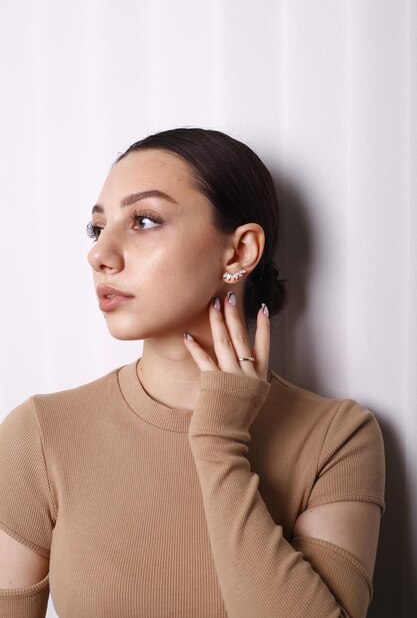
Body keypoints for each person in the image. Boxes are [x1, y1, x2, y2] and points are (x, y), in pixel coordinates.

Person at [0, 128, 385, 618]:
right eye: (97, 229)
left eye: (143, 220)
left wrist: (220, 441)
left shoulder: (337, 437)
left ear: (240, 251)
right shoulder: (38, 435)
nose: (99, 255)